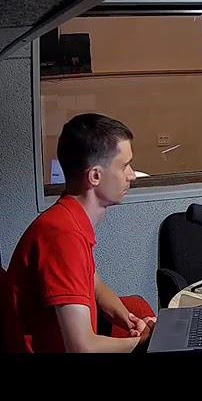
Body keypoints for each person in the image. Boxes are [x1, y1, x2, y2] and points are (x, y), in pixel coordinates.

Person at [3, 113, 156, 352]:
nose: (132, 175)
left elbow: (94, 283)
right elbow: (81, 346)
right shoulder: (63, 235)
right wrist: (142, 342)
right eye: (124, 166)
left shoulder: (69, 219)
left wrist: (130, 321)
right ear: (95, 176)